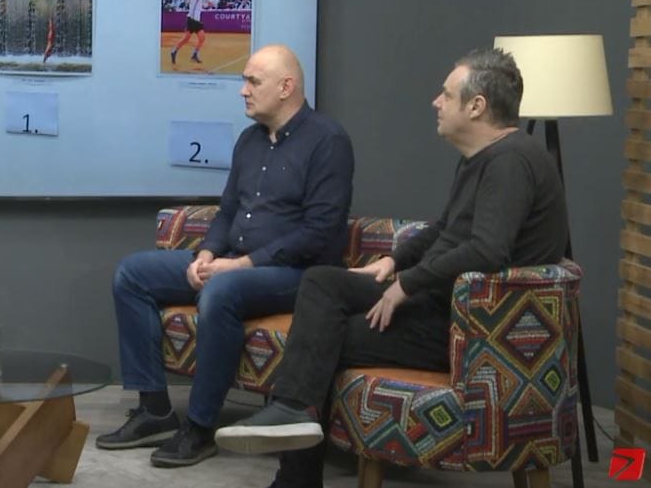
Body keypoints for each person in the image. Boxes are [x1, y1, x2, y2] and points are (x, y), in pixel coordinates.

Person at [214, 48, 569, 488]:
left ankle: (294, 470)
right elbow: (444, 229)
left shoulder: (511, 161)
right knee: (322, 283)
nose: (436, 102)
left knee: (321, 340)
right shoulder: (481, 157)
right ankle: (292, 411)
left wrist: (407, 284)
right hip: (438, 301)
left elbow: (487, 250)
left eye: (446, 94)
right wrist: (394, 261)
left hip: (469, 328)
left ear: (476, 106)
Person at [96, 44, 355, 468]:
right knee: (132, 273)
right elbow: (228, 210)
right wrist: (207, 253)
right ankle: (154, 411)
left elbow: (320, 232)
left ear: (286, 87)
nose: (243, 90)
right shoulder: (249, 140)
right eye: (244, 80)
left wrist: (239, 265)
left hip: (299, 274)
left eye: (253, 81)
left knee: (221, 291)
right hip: (234, 260)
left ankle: (200, 428)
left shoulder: (328, 141)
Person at [171, 0, 215, 65]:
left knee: (202, 38)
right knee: (186, 39)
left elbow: (204, 5)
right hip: (191, 20)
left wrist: (209, 4)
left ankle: (194, 54)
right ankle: (174, 51)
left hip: (197, 21)